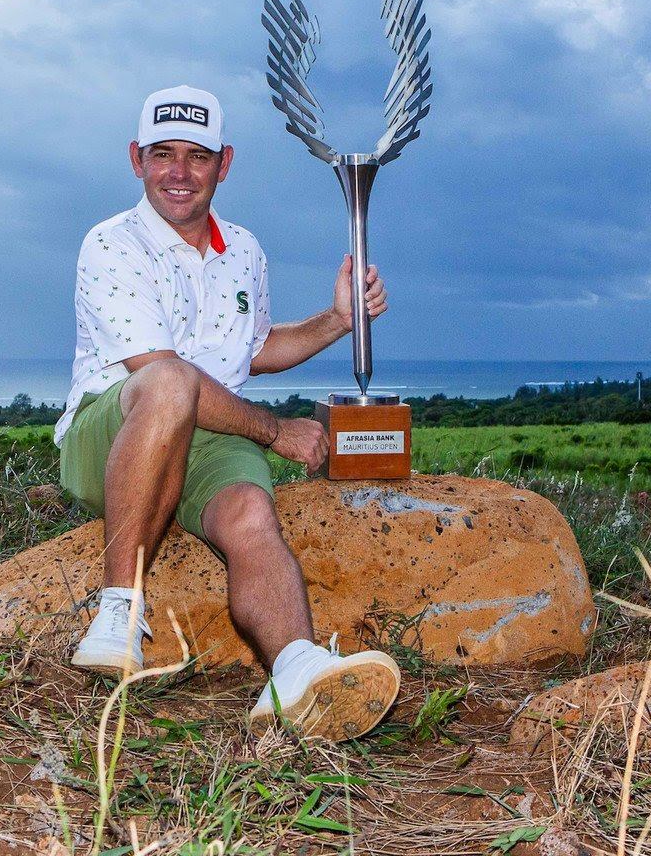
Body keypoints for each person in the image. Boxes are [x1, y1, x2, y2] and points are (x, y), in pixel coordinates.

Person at [55, 85, 401, 740]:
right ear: (137, 159)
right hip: (113, 429)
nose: (179, 172)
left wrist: (336, 319)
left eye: (197, 156)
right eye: (163, 154)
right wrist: (275, 431)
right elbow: (165, 375)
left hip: (208, 435)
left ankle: (295, 669)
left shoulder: (243, 249)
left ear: (225, 163)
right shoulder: (111, 243)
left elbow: (257, 349)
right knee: (168, 384)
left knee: (249, 513)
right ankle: (119, 611)